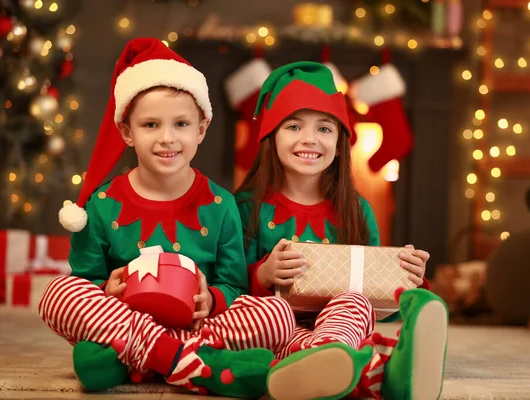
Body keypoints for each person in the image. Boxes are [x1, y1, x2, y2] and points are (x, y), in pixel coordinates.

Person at [38, 38, 296, 398]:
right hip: (124, 320)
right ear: (127, 132)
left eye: (180, 124)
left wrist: (212, 300)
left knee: (278, 316)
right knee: (58, 293)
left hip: (198, 326)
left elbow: (234, 286)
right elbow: (87, 281)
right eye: (150, 125)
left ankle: (139, 361)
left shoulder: (221, 205)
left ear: (201, 129)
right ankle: (194, 363)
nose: (167, 138)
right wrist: (106, 290)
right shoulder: (102, 203)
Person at [235, 61, 449, 399]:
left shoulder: (357, 211)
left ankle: (327, 361)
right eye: (293, 126)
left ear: (340, 142)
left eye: (324, 129)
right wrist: (263, 274)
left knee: (354, 302)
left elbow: (380, 305)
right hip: (275, 326)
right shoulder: (246, 208)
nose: (310, 139)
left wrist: (406, 278)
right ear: (271, 135)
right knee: (270, 315)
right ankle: (380, 372)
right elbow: (230, 287)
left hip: (341, 328)